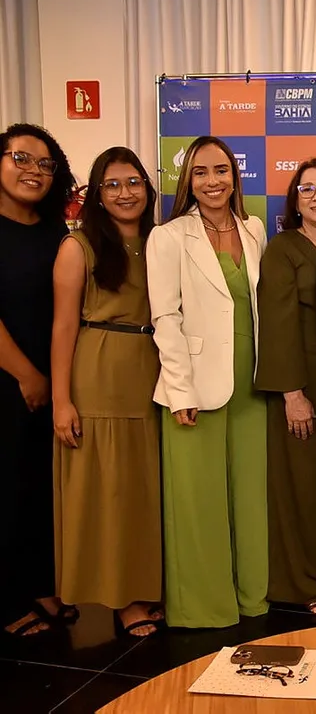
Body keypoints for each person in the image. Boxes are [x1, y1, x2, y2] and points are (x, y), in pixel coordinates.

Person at [147, 135, 269, 629]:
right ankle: (203, 606)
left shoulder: (255, 229)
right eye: (201, 173)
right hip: (193, 386)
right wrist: (180, 391)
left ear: (235, 177)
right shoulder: (169, 236)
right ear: (188, 181)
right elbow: (165, 318)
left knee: (248, 497)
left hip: (251, 386)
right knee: (198, 502)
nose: (213, 181)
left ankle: (249, 597)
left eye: (221, 170)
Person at [52, 147, 165, 637]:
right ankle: (122, 600)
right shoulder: (78, 247)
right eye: (113, 184)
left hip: (152, 371)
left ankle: (148, 587)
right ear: (97, 193)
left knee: (144, 488)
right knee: (112, 491)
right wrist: (61, 399)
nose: (125, 193)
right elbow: (61, 328)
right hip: (99, 373)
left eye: (134, 182)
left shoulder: (161, 241)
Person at [255, 158, 316, 616]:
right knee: (306, 486)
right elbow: (276, 328)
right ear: (295, 200)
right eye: (307, 189)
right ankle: (307, 583)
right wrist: (292, 394)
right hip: (304, 382)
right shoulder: (282, 249)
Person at [0, 123, 76, 637]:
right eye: (22, 158)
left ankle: (42, 586)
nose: (34, 171)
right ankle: (8, 604)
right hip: (9, 380)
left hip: (49, 383)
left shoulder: (55, 234)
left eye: (45, 164)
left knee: (37, 489)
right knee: (5, 489)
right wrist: (27, 374)